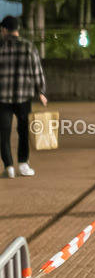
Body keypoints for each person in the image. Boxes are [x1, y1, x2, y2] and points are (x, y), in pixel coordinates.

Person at [0, 15, 48, 177]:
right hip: (24, 96)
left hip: (3, 97)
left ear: (4, 30)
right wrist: (41, 92)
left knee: (4, 133)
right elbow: (37, 71)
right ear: (17, 30)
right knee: (23, 131)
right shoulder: (29, 47)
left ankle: (8, 167)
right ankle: (23, 164)